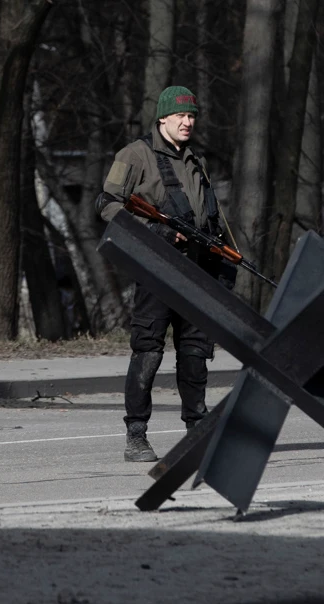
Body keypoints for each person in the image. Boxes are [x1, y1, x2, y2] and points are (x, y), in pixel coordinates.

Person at [95, 86, 227, 462]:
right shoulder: (135, 154)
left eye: (193, 116)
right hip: (156, 268)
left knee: (195, 352)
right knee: (148, 350)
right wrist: (156, 232)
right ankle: (136, 436)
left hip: (197, 267)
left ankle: (196, 429)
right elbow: (107, 204)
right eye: (181, 116)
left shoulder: (194, 160)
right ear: (163, 118)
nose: (188, 122)